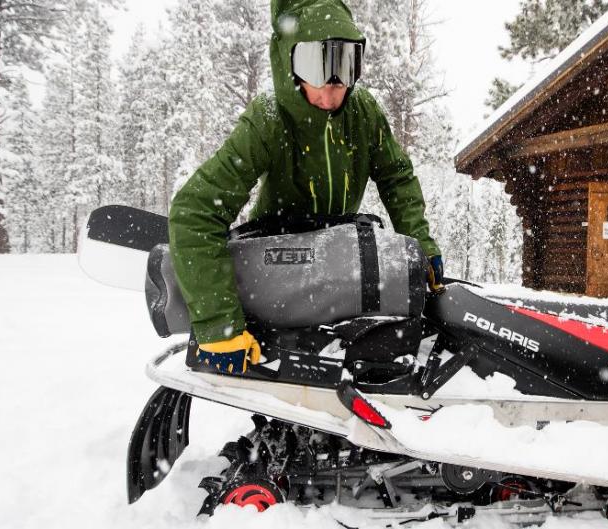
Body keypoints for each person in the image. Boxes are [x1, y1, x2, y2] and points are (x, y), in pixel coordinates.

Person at [167, 0, 444, 375]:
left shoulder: (364, 113)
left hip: (340, 263)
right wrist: (220, 327)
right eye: (318, 78)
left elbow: (397, 177)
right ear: (290, 66)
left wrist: (420, 242)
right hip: (281, 261)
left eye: (343, 76)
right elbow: (194, 210)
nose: (330, 98)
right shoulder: (268, 121)